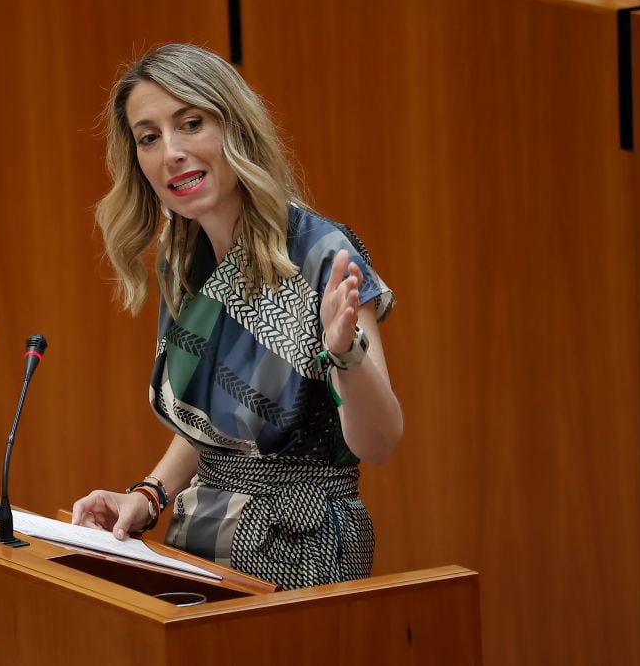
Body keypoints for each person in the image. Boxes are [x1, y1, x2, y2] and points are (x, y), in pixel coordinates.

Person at [71, 43, 403, 590]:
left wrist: (347, 355)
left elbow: (381, 442)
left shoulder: (322, 254)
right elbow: (216, 428)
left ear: (236, 127)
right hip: (202, 529)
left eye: (191, 123)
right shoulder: (183, 258)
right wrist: (149, 494)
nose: (171, 151)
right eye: (149, 137)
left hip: (301, 543)